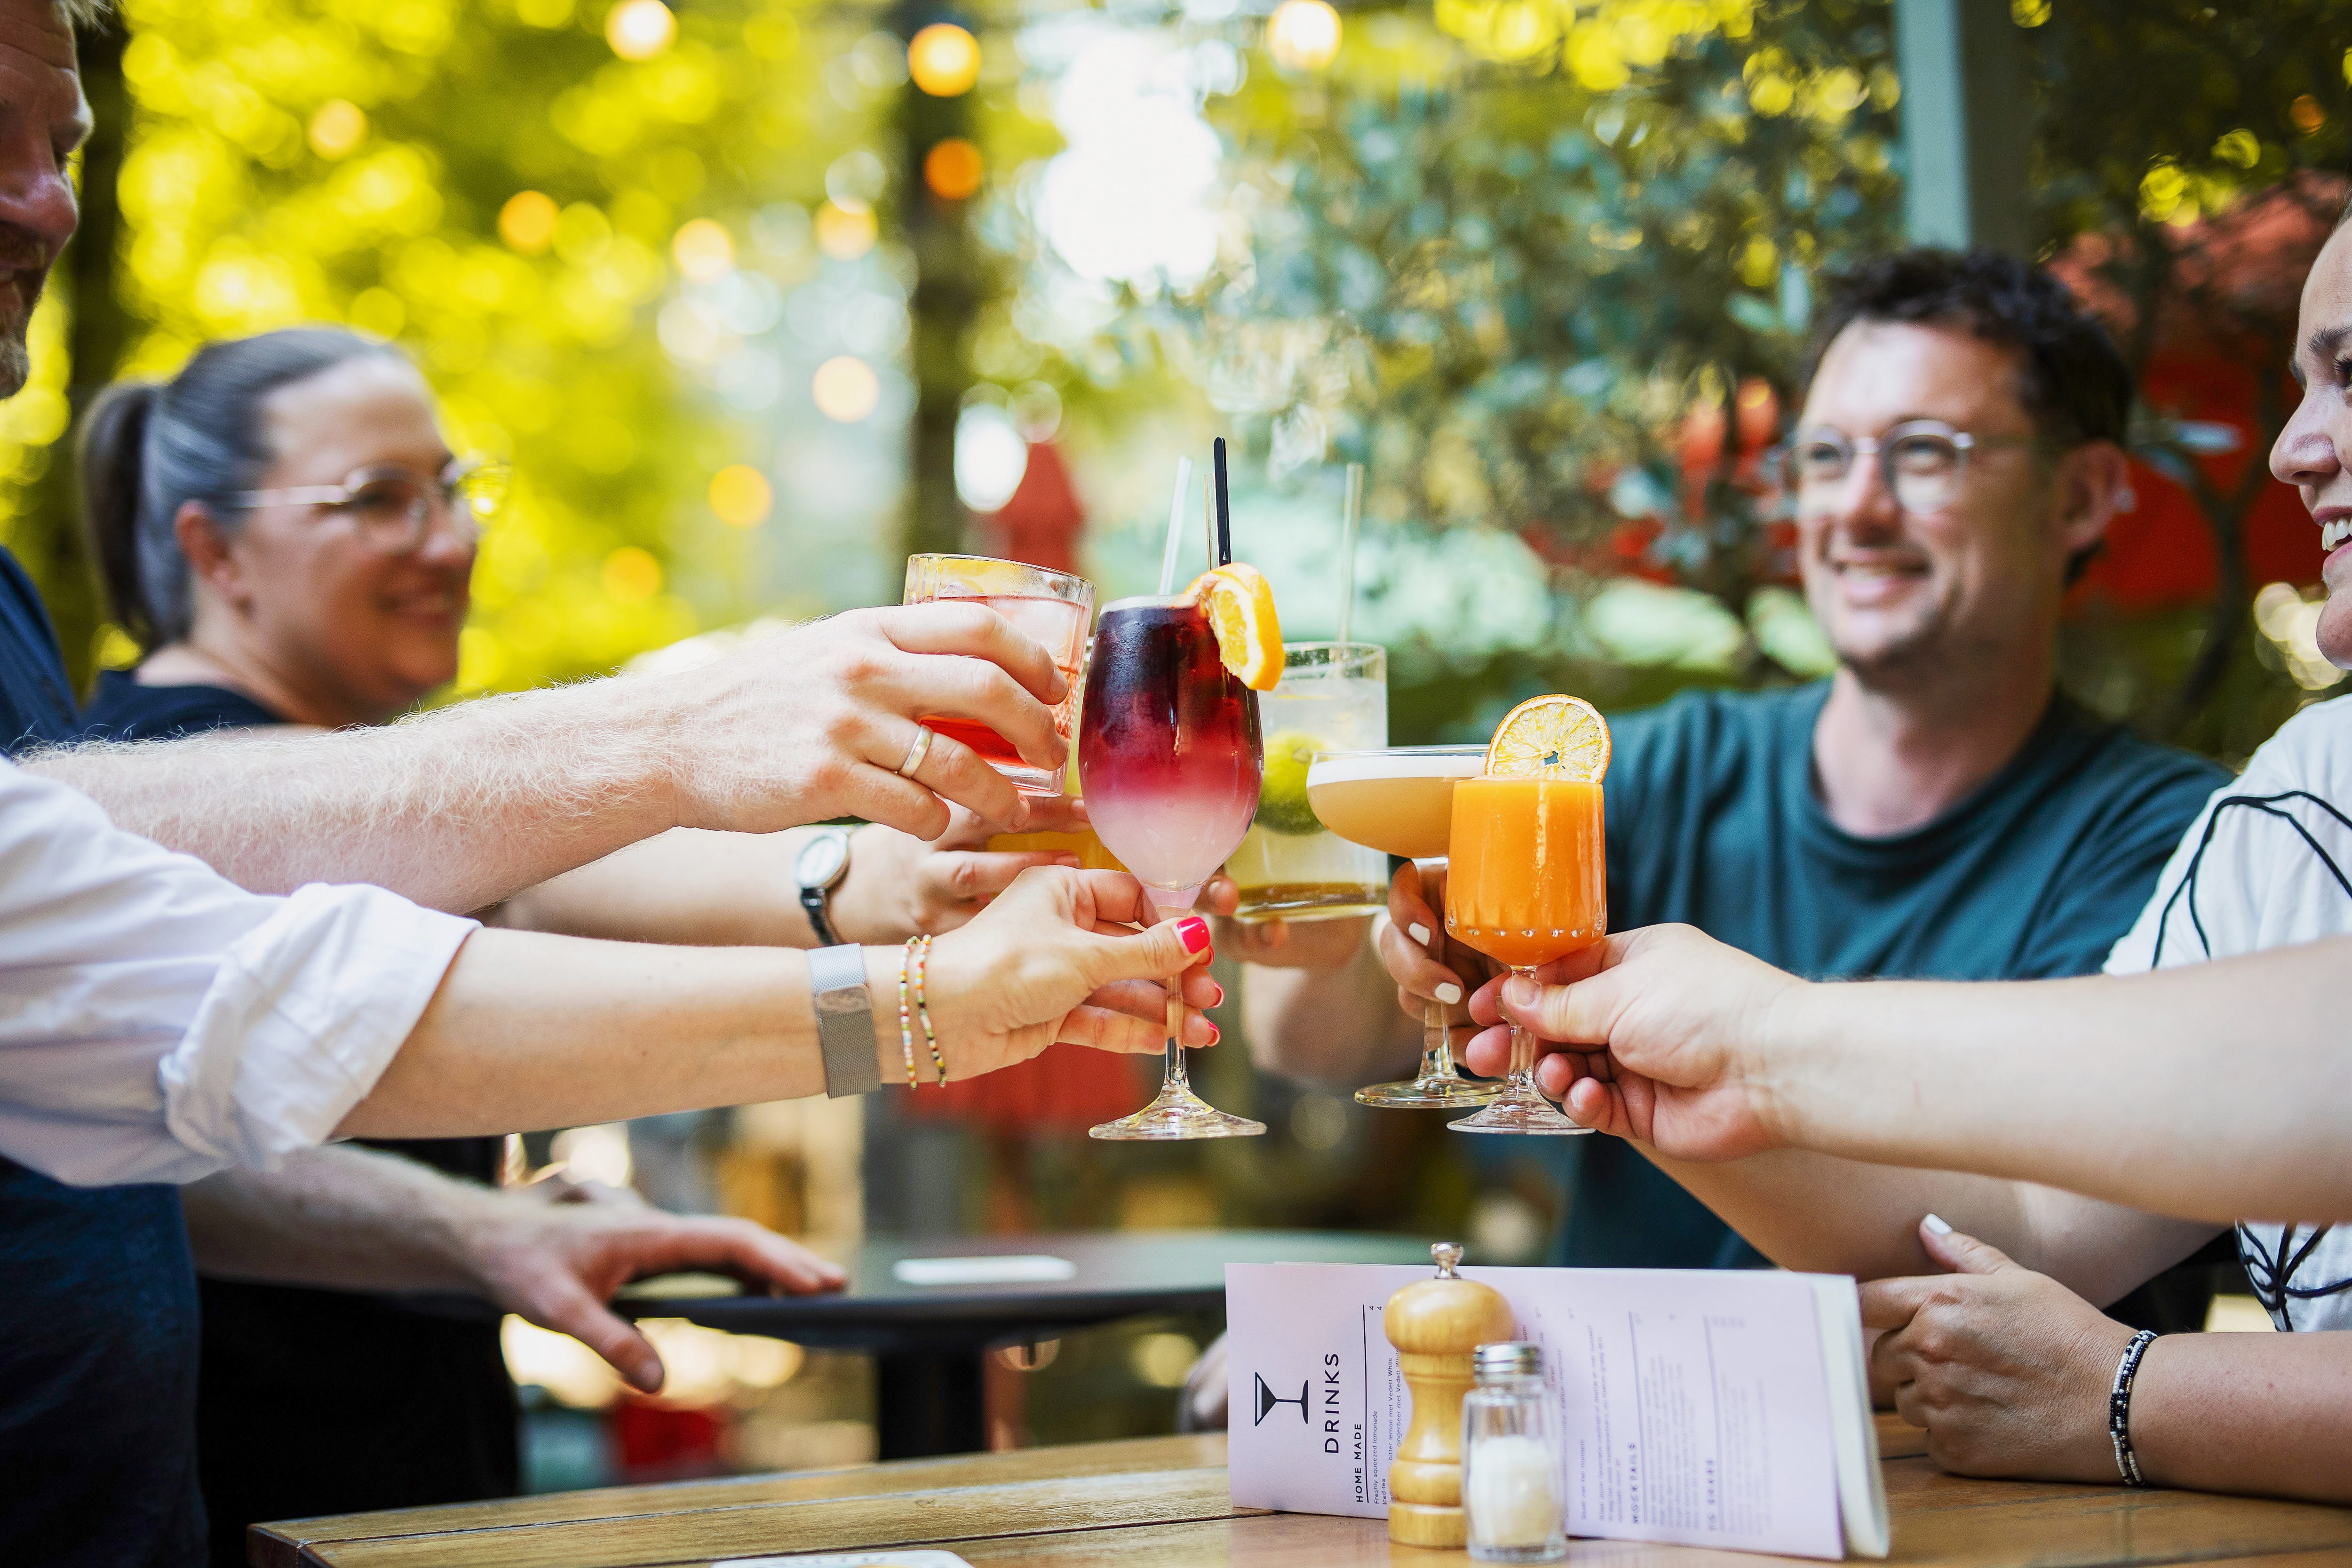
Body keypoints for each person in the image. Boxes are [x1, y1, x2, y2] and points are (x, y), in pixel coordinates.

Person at [68, 325, 1112, 1560]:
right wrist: (914, 982)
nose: (450, 538)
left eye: (453, 489)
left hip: (392, 1464)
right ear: (215, 547)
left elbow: (541, 885)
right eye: (381, 500)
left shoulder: (383, 780)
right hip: (258, 1478)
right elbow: (515, 903)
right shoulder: (175, 784)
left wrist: (879, 880)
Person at [1449, 208, 2352, 1506]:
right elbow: (2038, 1215)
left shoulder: (2156, 821)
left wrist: (2127, 1391)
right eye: (1825, 457)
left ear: (2086, 491)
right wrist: (1698, 1081)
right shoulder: (2308, 794)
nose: (2288, 450)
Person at [1233, 248, 2230, 1308]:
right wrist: (1331, 929)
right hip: (1618, 1448)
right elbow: (1316, 1044)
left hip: (1982, 1474)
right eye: (1826, 456)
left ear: (2078, 496)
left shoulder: (2173, 844)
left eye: (1926, 453)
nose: (1858, 506)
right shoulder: (1664, 771)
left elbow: (2046, 1242)